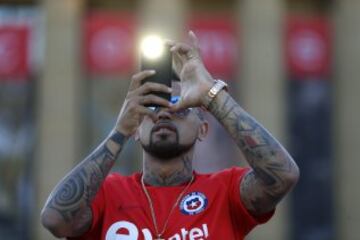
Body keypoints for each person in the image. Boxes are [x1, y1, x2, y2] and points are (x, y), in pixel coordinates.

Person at [41, 31, 299, 240]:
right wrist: (119, 130)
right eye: (151, 105)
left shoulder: (226, 192)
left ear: (203, 129)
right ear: (136, 131)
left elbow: (282, 176)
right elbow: (56, 221)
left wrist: (211, 94)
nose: (164, 113)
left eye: (179, 105)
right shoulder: (107, 194)